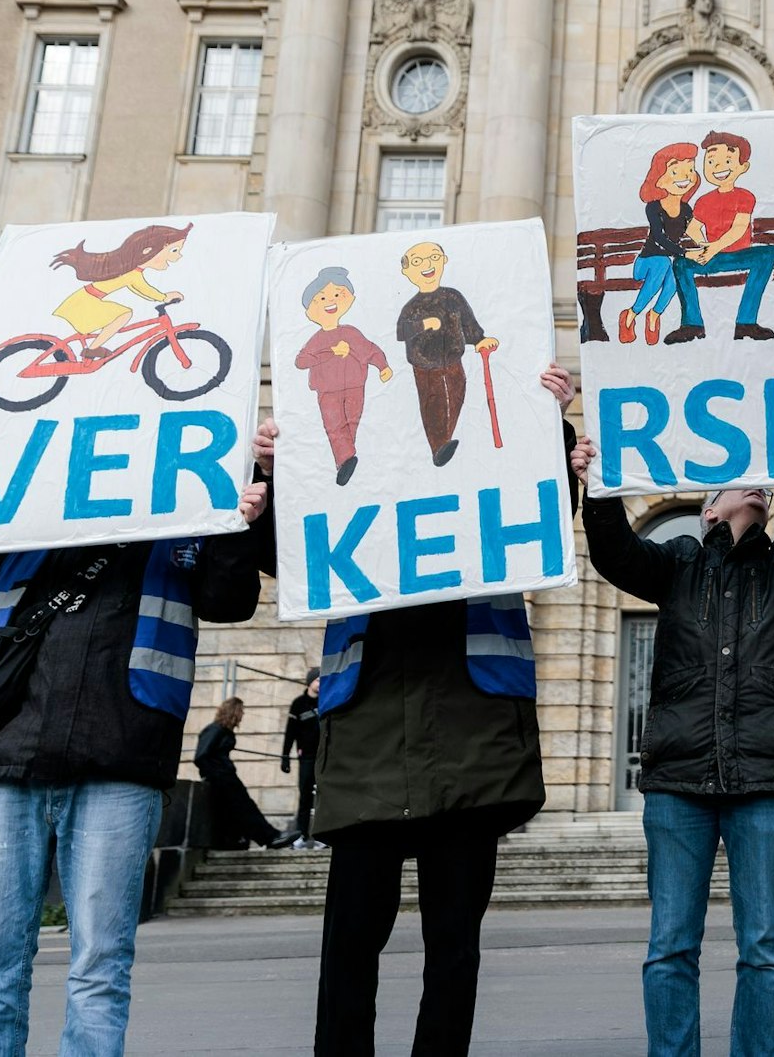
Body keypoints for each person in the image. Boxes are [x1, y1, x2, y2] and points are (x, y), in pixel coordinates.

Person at [0, 399, 267, 1056]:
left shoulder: (183, 510)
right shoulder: (34, 499)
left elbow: (228, 598)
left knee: (97, 972)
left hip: (123, 756)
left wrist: (240, 517)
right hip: (14, 751)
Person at [255, 362, 578, 1057]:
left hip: (469, 736)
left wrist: (548, 422)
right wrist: (276, 468)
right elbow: (281, 553)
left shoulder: (480, 450)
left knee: (453, 947)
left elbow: (547, 510)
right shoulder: (350, 461)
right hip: (371, 734)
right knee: (349, 946)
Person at [571, 416, 774, 1057]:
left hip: (763, 780)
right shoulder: (677, 563)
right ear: (709, 507)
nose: (757, 486)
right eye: (741, 482)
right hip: (679, 781)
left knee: (764, 946)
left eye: (764, 484)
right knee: (670, 944)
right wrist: (597, 483)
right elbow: (616, 552)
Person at [666, 130, 774, 345]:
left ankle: (746, 322)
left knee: (768, 254)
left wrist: (714, 247)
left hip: (740, 255)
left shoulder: (745, 196)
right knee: (681, 264)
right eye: (711, 161)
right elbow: (692, 229)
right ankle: (692, 324)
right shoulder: (704, 201)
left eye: (727, 160)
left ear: (742, 167)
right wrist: (703, 247)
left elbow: (739, 228)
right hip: (713, 258)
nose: (718, 167)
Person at [395, 240, 497, 467]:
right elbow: (401, 332)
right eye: (418, 262)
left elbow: (467, 322)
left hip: (453, 361)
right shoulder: (411, 307)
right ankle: (438, 446)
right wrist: (422, 325)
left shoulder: (453, 297)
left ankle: (446, 439)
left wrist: (479, 340)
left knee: (456, 396)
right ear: (407, 271)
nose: (427, 265)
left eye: (433, 257)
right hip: (425, 366)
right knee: (433, 403)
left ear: (443, 260)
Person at [296, 266, 392, 486]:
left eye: (338, 294)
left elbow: (370, 349)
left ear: (348, 298)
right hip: (327, 392)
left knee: (351, 423)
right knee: (334, 425)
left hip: (355, 387)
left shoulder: (351, 332)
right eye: (321, 298)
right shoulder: (317, 339)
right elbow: (302, 361)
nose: (330, 301)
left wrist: (383, 366)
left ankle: (346, 460)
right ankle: (346, 458)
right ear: (310, 310)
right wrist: (329, 352)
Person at [48, 220, 192, 358]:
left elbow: (137, 289)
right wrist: (164, 297)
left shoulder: (131, 272)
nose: (178, 256)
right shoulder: (132, 273)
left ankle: (92, 349)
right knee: (124, 314)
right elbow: (142, 288)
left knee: (120, 315)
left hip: (85, 299)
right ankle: (92, 350)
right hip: (86, 302)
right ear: (148, 250)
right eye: (173, 250)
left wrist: (160, 297)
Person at [194, 697, 296, 850]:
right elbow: (201, 756)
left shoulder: (223, 730)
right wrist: (216, 774)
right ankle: (270, 837)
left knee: (242, 808)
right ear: (233, 711)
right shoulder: (215, 730)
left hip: (226, 776)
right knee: (245, 807)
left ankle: (253, 839)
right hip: (221, 778)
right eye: (241, 710)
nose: (242, 714)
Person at [623, 142, 700, 345]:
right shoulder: (653, 207)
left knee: (676, 274)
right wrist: (684, 253)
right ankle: (631, 314)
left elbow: (695, 232)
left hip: (664, 266)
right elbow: (659, 237)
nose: (685, 177)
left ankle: (654, 315)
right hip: (645, 264)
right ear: (659, 180)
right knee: (665, 263)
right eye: (675, 172)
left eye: (690, 170)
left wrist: (707, 247)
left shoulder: (686, 209)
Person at [282, 670, 322, 846]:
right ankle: (301, 835)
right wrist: (285, 756)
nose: (320, 683)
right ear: (309, 682)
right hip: (306, 756)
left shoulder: (327, 700)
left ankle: (323, 836)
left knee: (324, 795)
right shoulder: (298, 704)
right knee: (305, 795)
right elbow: (290, 732)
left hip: (324, 756)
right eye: (318, 680)